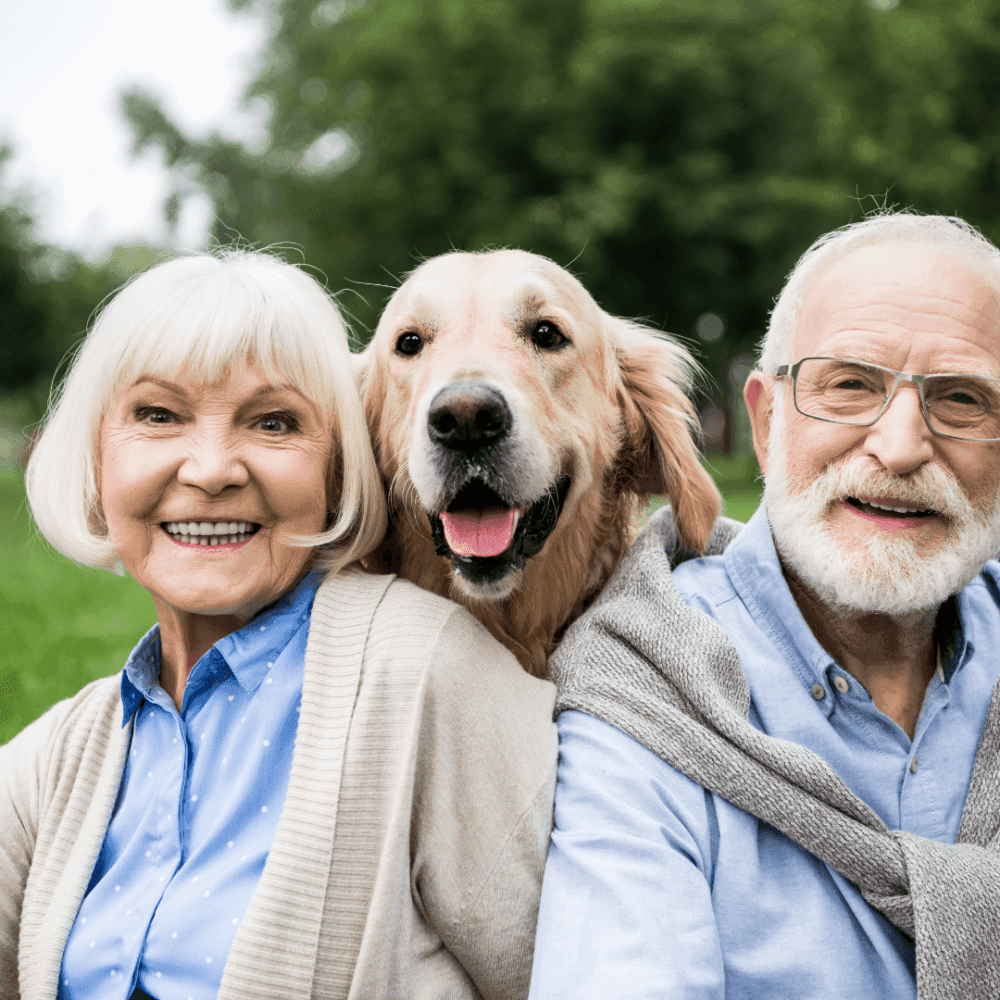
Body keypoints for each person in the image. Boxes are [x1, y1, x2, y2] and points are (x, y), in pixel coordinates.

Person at [0, 249, 557, 1000]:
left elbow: (585, 972)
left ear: (337, 470)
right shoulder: (59, 759)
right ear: (95, 457)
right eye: (158, 415)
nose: (211, 468)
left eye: (273, 422)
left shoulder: (425, 675)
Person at [528, 213, 1000, 999]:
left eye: (963, 400)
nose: (901, 445)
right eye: (850, 385)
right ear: (766, 417)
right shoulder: (644, 696)